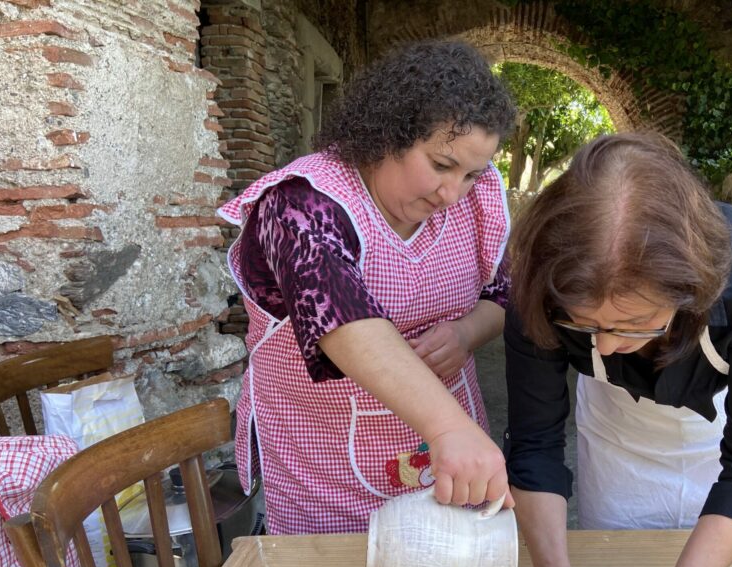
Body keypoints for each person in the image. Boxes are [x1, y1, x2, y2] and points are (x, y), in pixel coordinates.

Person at [504, 132, 732, 567]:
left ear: (691, 290)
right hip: (616, 435)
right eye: (584, 324)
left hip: (719, 438)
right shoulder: (539, 283)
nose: (603, 344)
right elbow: (535, 444)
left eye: (632, 324)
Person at [217, 41, 517, 534]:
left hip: (444, 451)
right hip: (325, 459)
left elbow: (503, 296)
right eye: (441, 165)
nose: (452, 193)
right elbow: (341, 319)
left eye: (471, 174)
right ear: (387, 136)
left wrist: (466, 335)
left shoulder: (474, 200)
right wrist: (448, 427)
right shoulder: (300, 203)